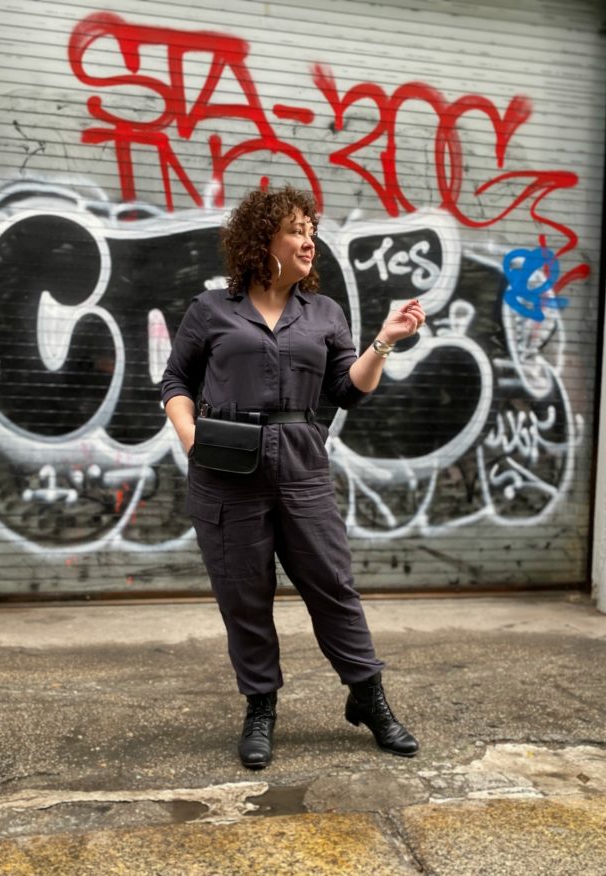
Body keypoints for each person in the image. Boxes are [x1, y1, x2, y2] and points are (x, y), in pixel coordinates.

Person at [161, 185, 425, 769]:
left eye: (311, 231)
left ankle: (368, 699)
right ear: (263, 240)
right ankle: (260, 708)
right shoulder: (211, 311)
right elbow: (175, 382)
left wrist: (384, 340)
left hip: (302, 463)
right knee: (244, 594)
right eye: (295, 231)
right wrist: (191, 436)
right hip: (226, 467)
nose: (309, 241)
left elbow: (345, 391)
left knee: (332, 585)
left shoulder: (325, 313)